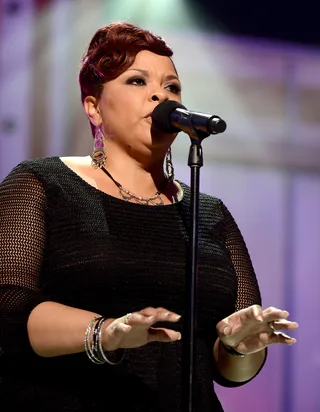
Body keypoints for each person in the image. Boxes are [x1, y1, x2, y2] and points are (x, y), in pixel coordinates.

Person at [0, 22, 298, 412]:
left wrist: (236, 345)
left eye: (172, 87)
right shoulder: (43, 182)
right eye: (138, 81)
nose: (161, 94)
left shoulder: (209, 214)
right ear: (94, 106)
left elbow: (229, 371)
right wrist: (105, 332)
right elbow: (7, 304)